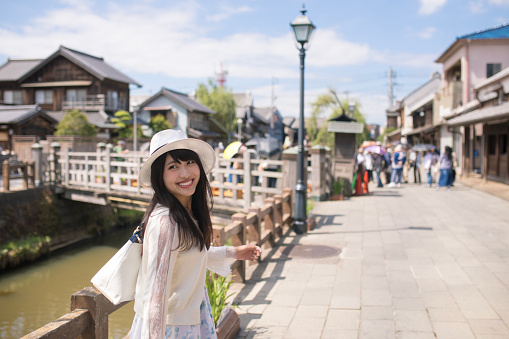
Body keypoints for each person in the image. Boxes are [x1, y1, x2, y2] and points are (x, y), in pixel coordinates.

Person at [130, 129, 261, 338]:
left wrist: (233, 252)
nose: (185, 174)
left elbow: (190, 255)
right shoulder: (166, 221)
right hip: (171, 327)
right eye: (173, 166)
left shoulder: (184, 214)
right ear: (159, 175)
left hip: (189, 317)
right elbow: (156, 293)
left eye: (190, 163)